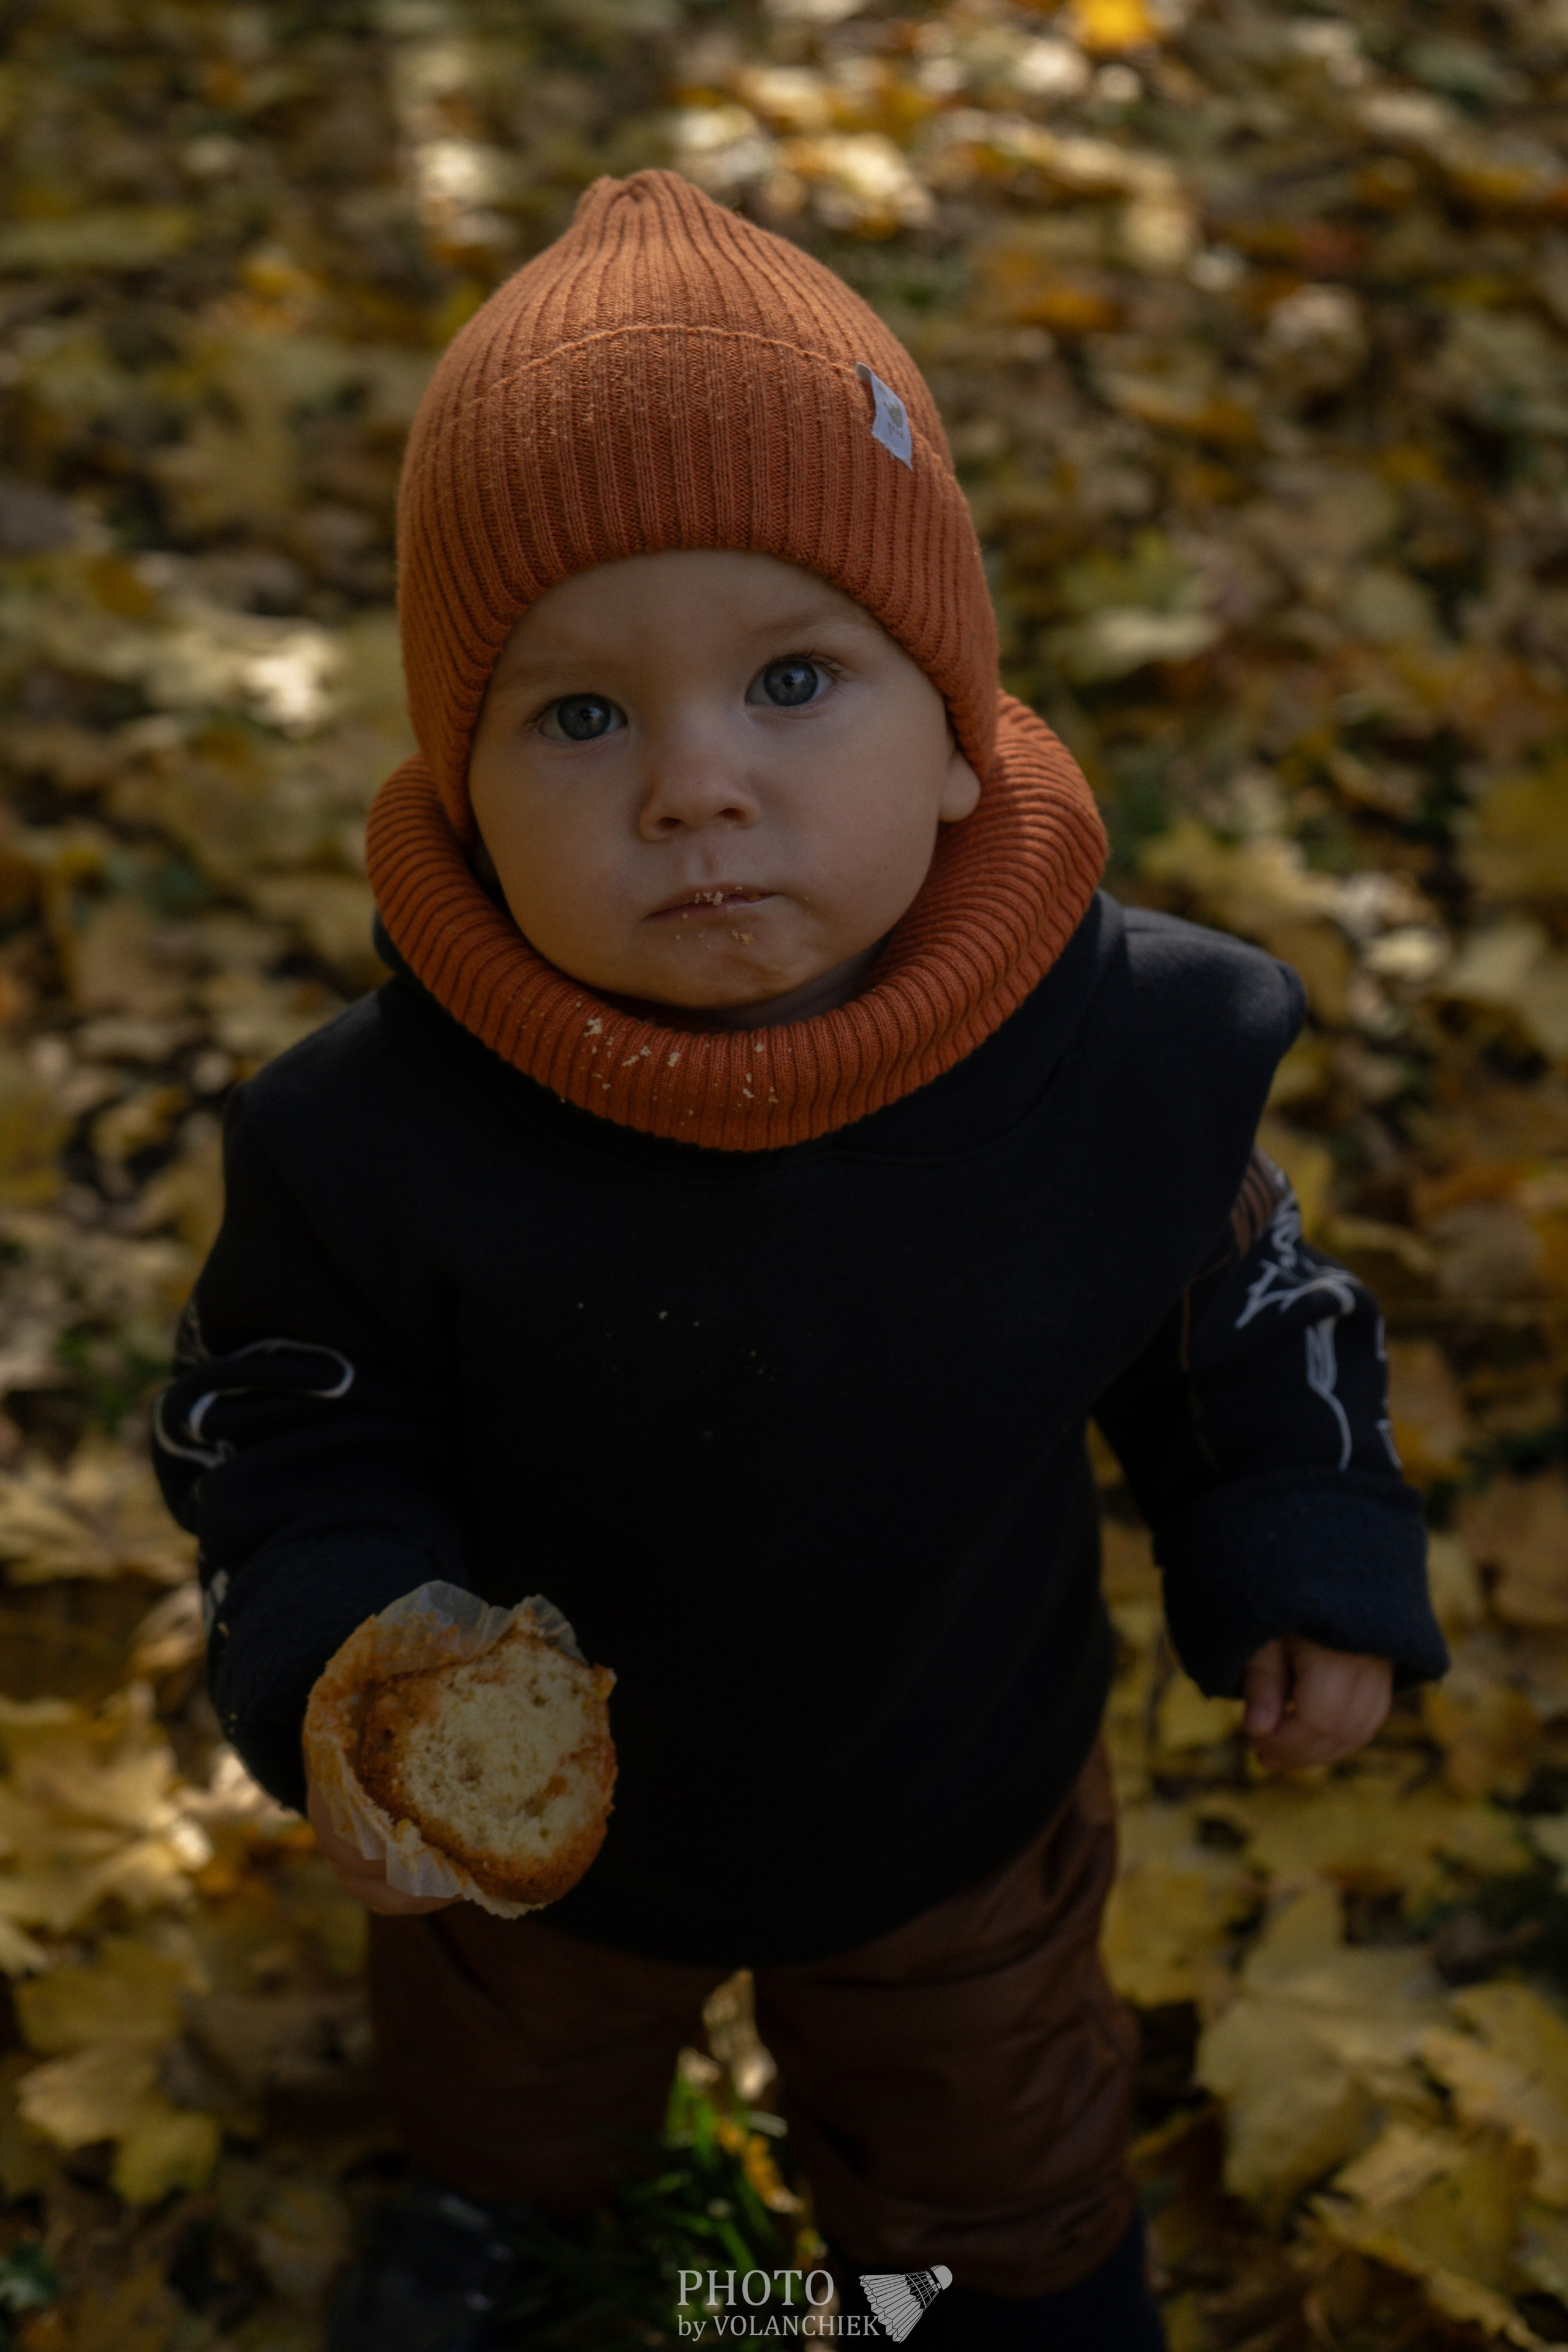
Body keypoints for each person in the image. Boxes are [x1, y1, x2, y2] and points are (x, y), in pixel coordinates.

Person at [152, 170, 1447, 2352]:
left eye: (791, 678)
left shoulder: (1116, 1059)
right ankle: (506, 2205)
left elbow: (1236, 1305)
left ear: (954, 728)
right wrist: (347, 1653)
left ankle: (946, 2304)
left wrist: (1300, 1529)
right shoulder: (377, 1140)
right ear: (457, 793)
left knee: (982, 2153)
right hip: (540, 1847)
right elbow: (286, 1418)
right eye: (579, 718)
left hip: (956, 1796)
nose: (694, 788)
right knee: (512, 2064)